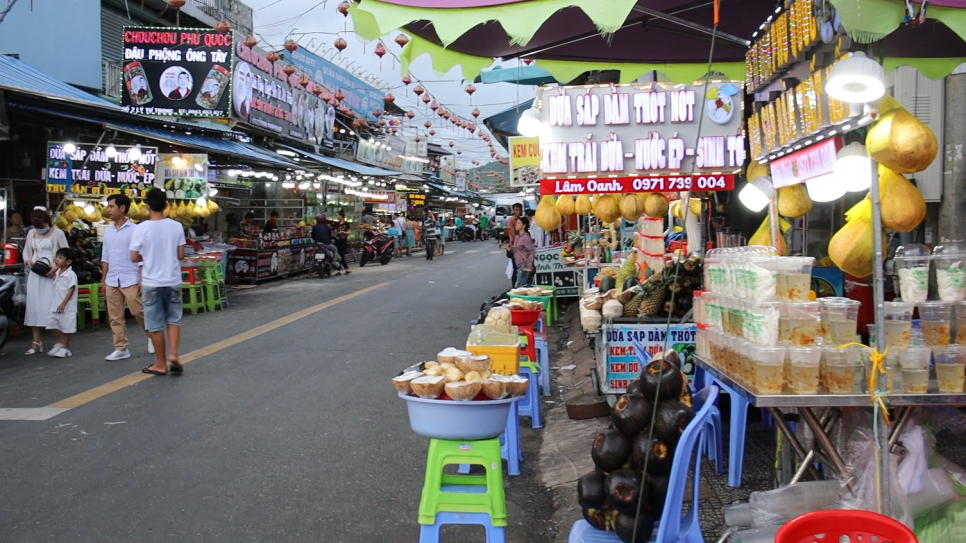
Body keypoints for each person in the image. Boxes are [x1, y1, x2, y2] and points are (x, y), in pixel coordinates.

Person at [130, 188, 186, 376]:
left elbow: (133, 256)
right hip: (173, 280)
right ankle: (174, 355)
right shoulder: (176, 226)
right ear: (167, 205)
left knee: (154, 324)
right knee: (173, 319)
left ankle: (160, 363)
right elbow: (180, 255)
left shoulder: (140, 228)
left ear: (147, 207)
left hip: (152, 282)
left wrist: (147, 254)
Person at [102, 194, 151, 361]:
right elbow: (105, 257)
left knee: (137, 310)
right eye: (108, 206)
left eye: (111, 206)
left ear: (122, 208)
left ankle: (152, 334)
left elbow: (142, 255)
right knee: (114, 315)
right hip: (112, 278)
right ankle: (121, 347)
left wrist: (141, 277)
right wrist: (103, 279)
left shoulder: (135, 230)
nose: (108, 209)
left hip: (130, 276)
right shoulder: (107, 232)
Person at [22, 207, 69, 355]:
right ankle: (36, 341)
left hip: (51, 275)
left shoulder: (58, 234)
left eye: (41, 226)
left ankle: (59, 340)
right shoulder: (31, 233)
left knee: (50, 306)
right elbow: (26, 251)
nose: (39, 229)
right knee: (34, 305)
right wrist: (28, 261)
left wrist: (56, 266)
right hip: (35, 274)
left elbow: (67, 253)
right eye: (37, 227)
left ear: (47, 221)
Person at [45, 247, 78, 358]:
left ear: (68, 261)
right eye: (57, 257)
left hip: (67, 307)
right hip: (56, 305)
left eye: (60, 258)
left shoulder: (70, 274)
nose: (57, 260)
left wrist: (64, 303)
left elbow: (71, 289)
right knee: (50, 324)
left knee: (67, 328)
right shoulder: (58, 272)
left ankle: (65, 348)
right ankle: (59, 342)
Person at [508, 217, 535, 288]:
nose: (516, 224)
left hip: (524, 264)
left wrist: (529, 264)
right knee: (520, 285)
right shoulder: (517, 237)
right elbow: (514, 249)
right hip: (518, 264)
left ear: (524, 226)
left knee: (519, 285)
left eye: (518, 223)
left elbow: (531, 251)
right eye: (516, 223)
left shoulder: (526, 237)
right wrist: (507, 248)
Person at [505, 203, 524, 288]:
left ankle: (521, 286)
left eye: (520, 210)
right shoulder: (511, 220)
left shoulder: (522, 220)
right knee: (516, 269)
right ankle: (515, 288)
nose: (518, 211)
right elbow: (513, 235)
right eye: (516, 210)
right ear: (513, 211)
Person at [333, 209, 351, 274]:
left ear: (341, 216)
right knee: (337, 255)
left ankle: (344, 269)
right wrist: (335, 232)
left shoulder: (346, 224)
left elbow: (349, 232)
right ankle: (341, 269)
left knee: (342, 255)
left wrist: (343, 232)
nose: (337, 217)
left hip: (343, 241)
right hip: (337, 240)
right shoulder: (336, 224)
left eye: (337, 215)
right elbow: (334, 231)